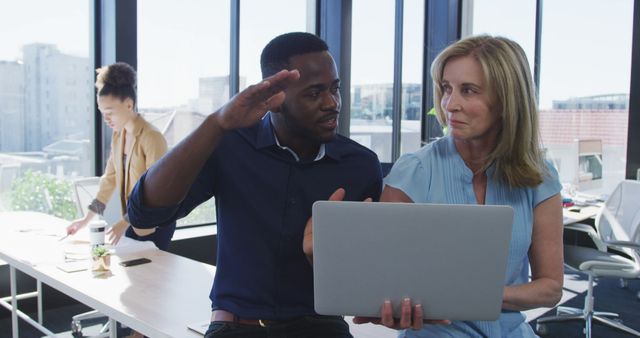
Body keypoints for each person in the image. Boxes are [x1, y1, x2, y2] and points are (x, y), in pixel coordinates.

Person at [126, 32, 383, 337]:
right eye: (314, 93)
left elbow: (364, 275)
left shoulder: (361, 165)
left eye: (335, 89)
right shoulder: (229, 146)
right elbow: (145, 214)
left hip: (321, 326)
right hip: (234, 326)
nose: (332, 103)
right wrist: (217, 123)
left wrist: (325, 258)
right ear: (275, 99)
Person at [355, 35, 564, 337]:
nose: (450, 104)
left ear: (507, 100)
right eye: (446, 89)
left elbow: (550, 288)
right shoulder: (414, 171)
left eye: (469, 91)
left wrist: (475, 296)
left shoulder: (539, 176)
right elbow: (385, 283)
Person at [67, 62, 175, 251]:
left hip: (154, 224)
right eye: (102, 113)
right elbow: (109, 179)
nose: (106, 119)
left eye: (110, 112)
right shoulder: (119, 136)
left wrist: (124, 222)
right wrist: (86, 219)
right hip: (133, 221)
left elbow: (154, 190)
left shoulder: (151, 137)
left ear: (129, 104)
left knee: (148, 275)